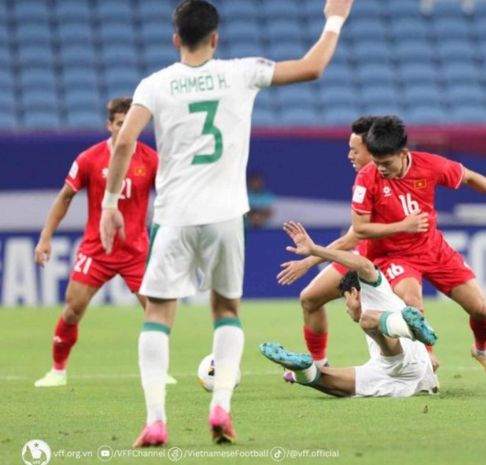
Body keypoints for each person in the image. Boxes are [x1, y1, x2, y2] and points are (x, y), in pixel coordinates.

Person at [99, 0, 353, 447]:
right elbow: (313, 68)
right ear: (215, 38)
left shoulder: (154, 84)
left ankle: (156, 419)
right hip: (224, 217)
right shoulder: (242, 72)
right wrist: (335, 17)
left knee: (158, 314)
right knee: (227, 312)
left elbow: (124, 143)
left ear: (176, 38)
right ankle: (221, 408)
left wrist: (109, 202)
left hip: (174, 216)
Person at [351, 115, 486, 383]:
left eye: (386, 163)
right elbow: (360, 229)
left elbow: (469, 177)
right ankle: (426, 356)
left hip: (434, 249)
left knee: (480, 308)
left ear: (403, 153)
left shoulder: (430, 166)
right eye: (376, 163)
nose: (381, 169)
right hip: (393, 255)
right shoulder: (367, 178)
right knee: (412, 301)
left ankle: (481, 349)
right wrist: (403, 226)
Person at [33, 97, 162, 388]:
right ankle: (58, 370)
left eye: (130, 123)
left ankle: (156, 371)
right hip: (97, 250)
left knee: (157, 311)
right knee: (73, 308)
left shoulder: (151, 159)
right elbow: (65, 197)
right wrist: (45, 237)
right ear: (109, 125)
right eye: (119, 123)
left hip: (136, 251)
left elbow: (168, 198)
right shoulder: (89, 158)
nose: (124, 129)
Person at [261, 221, 439, 398]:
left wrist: (315, 250)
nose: (346, 310)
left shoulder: (374, 291)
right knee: (328, 382)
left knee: (367, 320)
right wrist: (297, 374)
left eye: (345, 301)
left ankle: (409, 329)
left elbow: (364, 265)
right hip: (395, 374)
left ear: (354, 293)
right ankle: (304, 369)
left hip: (407, 359)